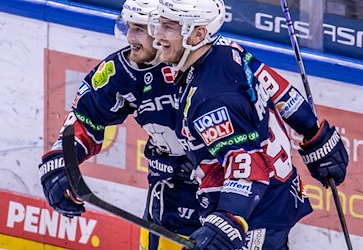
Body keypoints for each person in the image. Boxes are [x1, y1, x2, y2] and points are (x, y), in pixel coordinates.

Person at [148, 0, 349, 249]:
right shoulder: (226, 49)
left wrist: (229, 220)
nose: (157, 35)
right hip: (277, 198)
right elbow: (279, 90)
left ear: (198, 33)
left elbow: (249, 169)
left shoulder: (212, 101)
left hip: (257, 215)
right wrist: (313, 132)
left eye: (169, 27)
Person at [37, 1, 201, 249]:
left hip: (229, 187)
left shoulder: (214, 65)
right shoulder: (122, 72)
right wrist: (61, 159)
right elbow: (86, 117)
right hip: (172, 188)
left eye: (138, 29)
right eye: (129, 26)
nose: (128, 36)